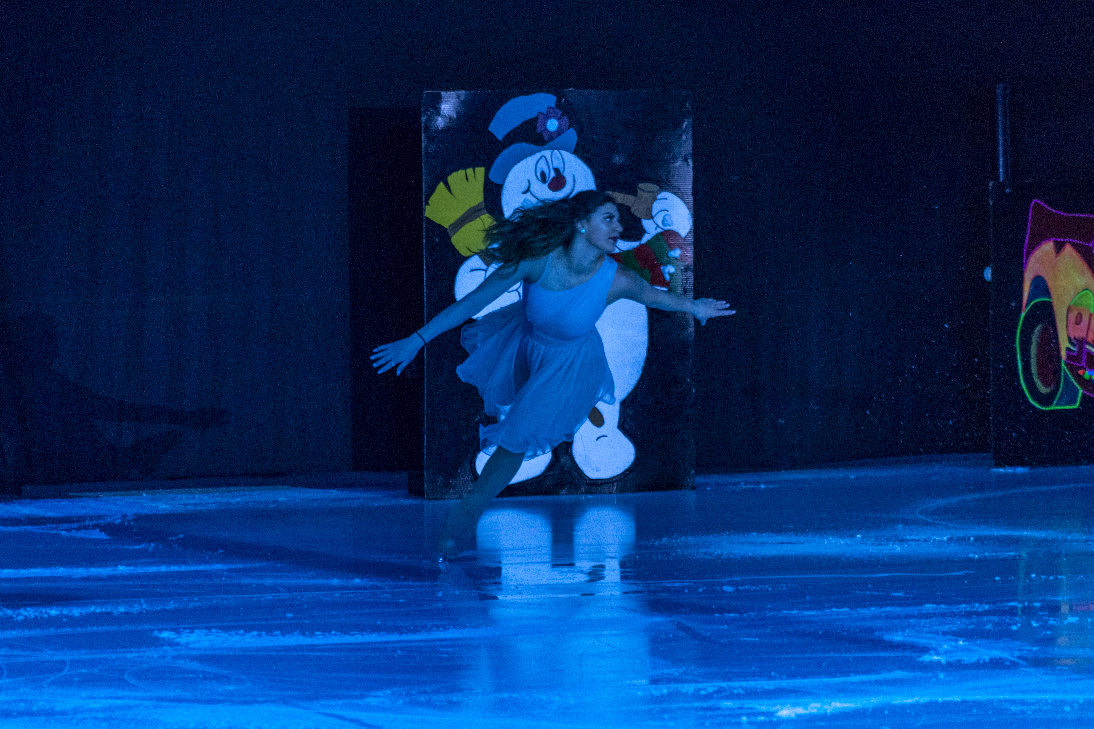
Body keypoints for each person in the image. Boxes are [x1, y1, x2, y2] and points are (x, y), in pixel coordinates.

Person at [372, 191, 734, 556]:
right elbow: (472, 302)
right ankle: (479, 489)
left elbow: (658, 298)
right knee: (513, 425)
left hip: (570, 364)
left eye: (618, 220)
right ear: (581, 224)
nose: (618, 227)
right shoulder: (537, 260)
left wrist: (696, 307)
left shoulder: (618, 279)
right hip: (523, 342)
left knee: (517, 437)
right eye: (608, 218)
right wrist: (416, 340)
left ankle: (463, 519)